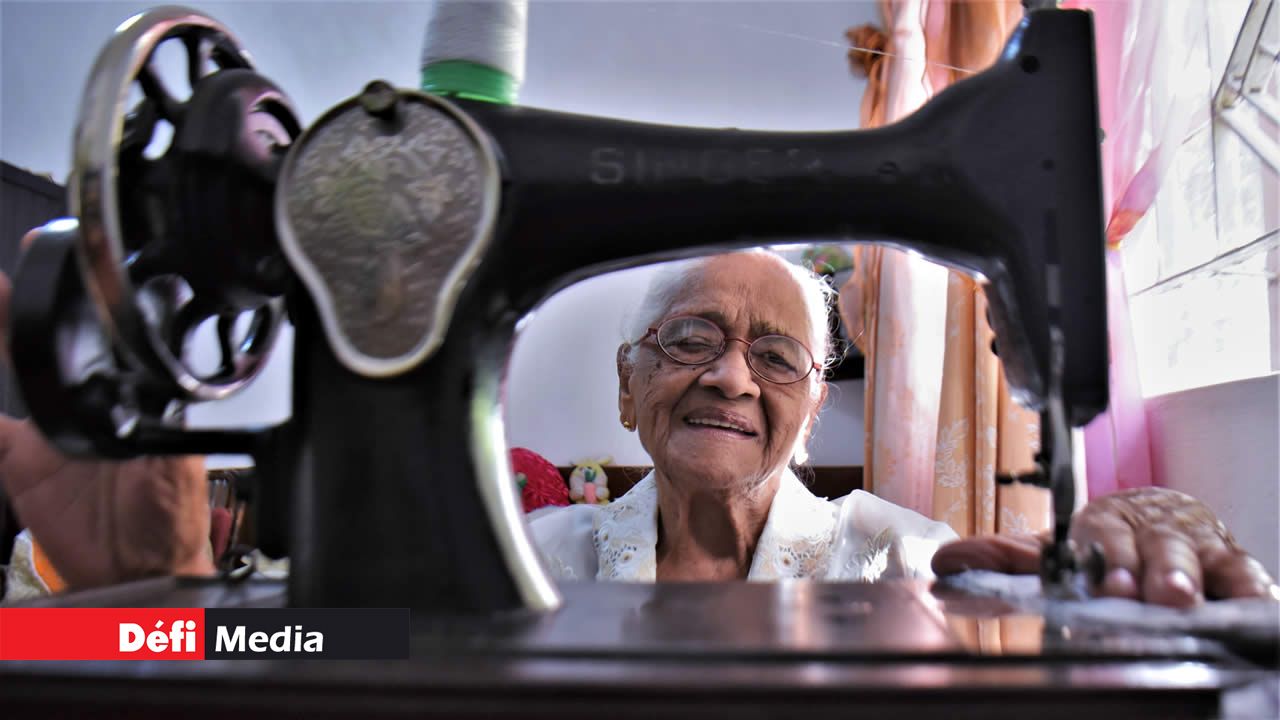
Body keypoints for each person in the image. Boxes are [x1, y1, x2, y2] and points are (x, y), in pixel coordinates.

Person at [0, 249, 1275, 606]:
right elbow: (292, 658)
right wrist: (133, 594)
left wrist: (1140, 552)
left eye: (773, 355)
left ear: (806, 405)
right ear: (625, 390)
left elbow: (1078, 643)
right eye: (687, 340)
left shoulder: (904, 561)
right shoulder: (524, 564)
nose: (728, 378)